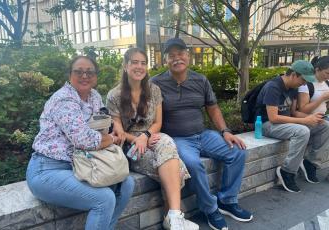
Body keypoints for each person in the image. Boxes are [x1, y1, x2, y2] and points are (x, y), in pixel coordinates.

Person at [151, 38, 253, 230]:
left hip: (203, 135)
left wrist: (225, 131)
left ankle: (227, 201)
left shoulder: (200, 80)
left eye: (180, 54)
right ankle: (210, 209)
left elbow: (213, 108)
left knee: (237, 151)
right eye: (171, 56)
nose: (177, 59)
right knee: (193, 165)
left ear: (188, 57)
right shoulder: (155, 84)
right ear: (165, 60)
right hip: (177, 139)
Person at [26, 56, 135, 230]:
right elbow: (84, 140)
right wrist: (113, 139)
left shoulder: (94, 97)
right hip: (48, 170)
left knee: (126, 184)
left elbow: (100, 130)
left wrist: (107, 134)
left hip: (82, 165)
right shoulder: (64, 100)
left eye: (89, 72)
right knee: (104, 199)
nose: (84, 76)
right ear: (70, 75)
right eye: (79, 71)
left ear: (96, 76)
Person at [106, 47, 199, 230]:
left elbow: (158, 122)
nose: (139, 67)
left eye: (143, 63)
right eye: (134, 62)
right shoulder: (114, 96)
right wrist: (137, 139)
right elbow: (119, 133)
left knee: (166, 142)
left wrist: (146, 135)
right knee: (176, 170)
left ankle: (173, 216)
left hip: (153, 137)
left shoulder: (154, 90)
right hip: (130, 146)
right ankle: (173, 217)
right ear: (125, 66)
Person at [255, 60, 329, 193]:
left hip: (286, 123)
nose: (304, 83)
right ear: (294, 74)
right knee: (302, 131)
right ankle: (287, 172)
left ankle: (310, 163)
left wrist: (312, 118)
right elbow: (273, 118)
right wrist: (305, 121)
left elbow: (294, 112)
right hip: (267, 125)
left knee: (325, 126)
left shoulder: (293, 88)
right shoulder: (273, 87)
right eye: (303, 80)